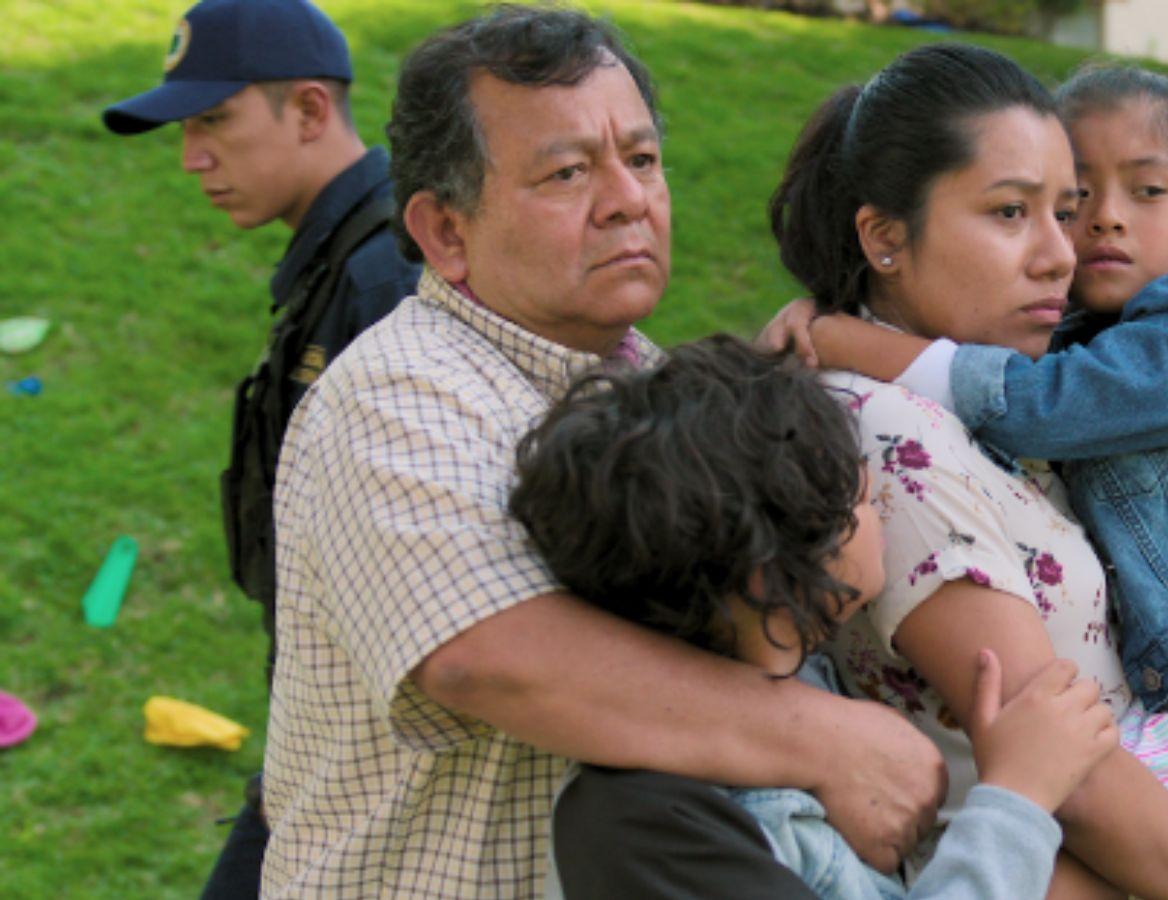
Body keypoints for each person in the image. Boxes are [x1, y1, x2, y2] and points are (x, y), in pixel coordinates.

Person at [257, 6, 943, 898]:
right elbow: (483, 653)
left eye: (643, 158)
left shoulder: (648, 382)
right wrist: (826, 737)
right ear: (445, 234)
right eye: (569, 171)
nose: (629, 198)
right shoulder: (398, 388)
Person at [764, 50, 1168, 894]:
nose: (1069, 250)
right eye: (1016, 211)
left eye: (1064, 211)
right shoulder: (894, 432)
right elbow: (1062, 767)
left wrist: (835, 332)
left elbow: (1034, 405)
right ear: (885, 238)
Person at [511, 334, 1120, 899]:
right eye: (858, 497)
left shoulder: (798, 687)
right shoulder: (645, 825)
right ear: (769, 576)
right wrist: (1017, 798)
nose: (878, 512)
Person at [100, 1, 418, 895]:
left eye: (213, 122)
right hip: (323, 739)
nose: (193, 156)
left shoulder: (389, 275)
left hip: (375, 764)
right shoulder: (346, 260)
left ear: (311, 111)